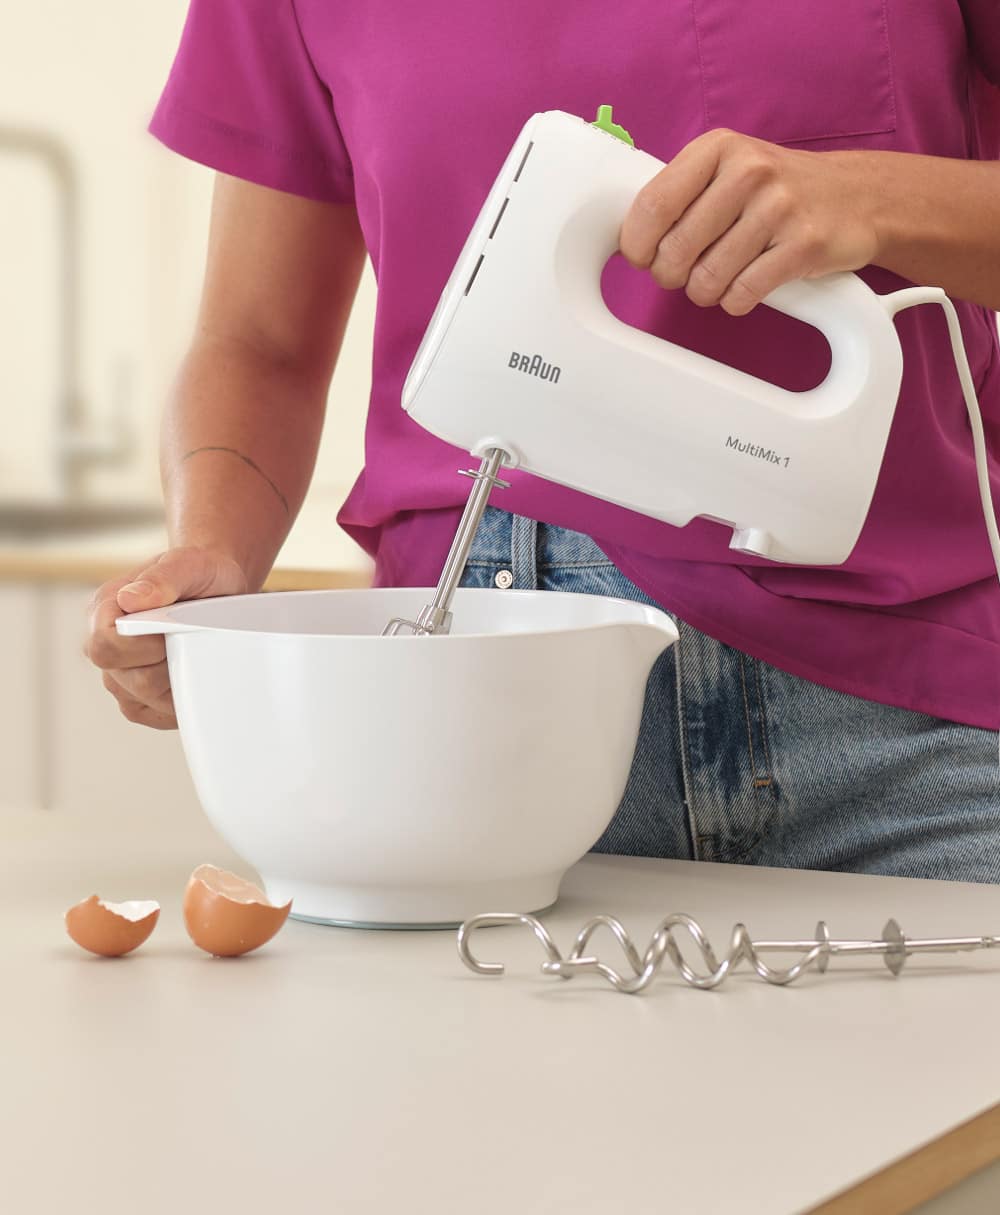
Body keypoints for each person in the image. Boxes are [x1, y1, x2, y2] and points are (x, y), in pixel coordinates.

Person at [86, 2, 1000, 881]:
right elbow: (259, 345)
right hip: (465, 723)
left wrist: (877, 197)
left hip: (899, 711)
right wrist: (214, 550)